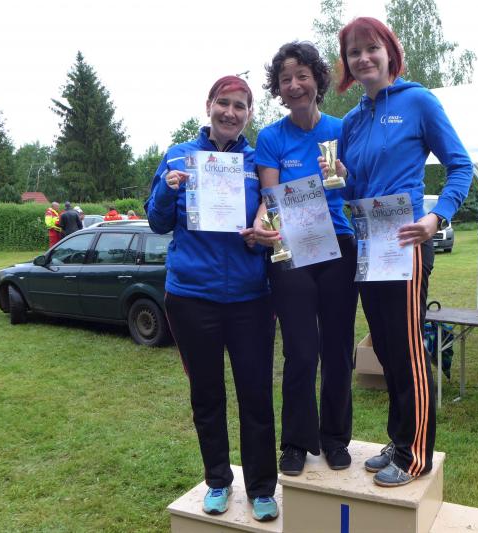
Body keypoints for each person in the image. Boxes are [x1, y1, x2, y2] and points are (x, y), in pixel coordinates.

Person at [325, 17, 473, 487]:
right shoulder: (351, 121)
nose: (363, 58)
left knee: (408, 350)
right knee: (386, 349)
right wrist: (340, 179)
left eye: (371, 48)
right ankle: (399, 439)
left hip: (407, 242)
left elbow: (461, 166)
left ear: (389, 51)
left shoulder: (418, 101)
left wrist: (436, 217)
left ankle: (416, 456)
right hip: (369, 241)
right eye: (354, 52)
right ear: (347, 63)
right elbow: (354, 189)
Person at [145, 75, 278, 522]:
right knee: (206, 395)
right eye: (224, 103)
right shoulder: (178, 155)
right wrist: (168, 188)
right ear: (208, 106)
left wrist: (263, 233)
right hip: (191, 296)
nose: (230, 112)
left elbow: (274, 218)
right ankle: (218, 481)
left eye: (240, 106)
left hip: (249, 297)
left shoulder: (258, 161)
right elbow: (158, 222)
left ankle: (262, 489)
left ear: (249, 114)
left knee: (255, 395)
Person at [252, 41, 358, 477]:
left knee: (338, 347)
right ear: (277, 89)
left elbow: (356, 189)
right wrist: (261, 225)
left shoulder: (342, 129)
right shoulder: (271, 138)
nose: (294, 85)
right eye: (285, 79)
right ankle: (296, 442)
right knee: (300, 350)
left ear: (317, 80)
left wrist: (345, 176)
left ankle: (335, 438)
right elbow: (269, 199)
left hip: (339, 246)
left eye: (302, 76)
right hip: (291, 249)